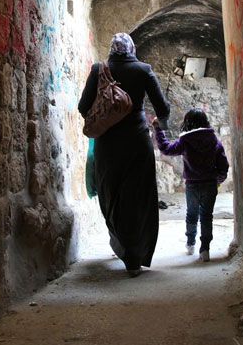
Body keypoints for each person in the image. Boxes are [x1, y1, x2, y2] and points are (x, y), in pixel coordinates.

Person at [78, 33, 170, 277]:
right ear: (131, 48)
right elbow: (162, 108)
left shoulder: (100, 69)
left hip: (107, 144)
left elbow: (82, 107)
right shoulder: (143, 69)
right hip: (137, 143)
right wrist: (161, 127)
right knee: (138, 196)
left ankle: (121, 244)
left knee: (111, 194)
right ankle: (134, 255)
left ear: (112, 49)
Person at [152, 108, 228, 262]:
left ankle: (190, 244)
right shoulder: (214, 141)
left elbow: (166, 149)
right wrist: (217, 180)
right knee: (207, 216)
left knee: (192, 215)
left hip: (192, 185)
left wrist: (158, 129)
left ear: (187, 123)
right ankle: (205, 249)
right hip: (210, 185)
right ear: (205, 122)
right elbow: (223, 166)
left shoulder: (185, 141)